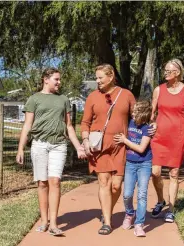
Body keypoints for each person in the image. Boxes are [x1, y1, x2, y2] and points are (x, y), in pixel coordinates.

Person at [16, 67, 86, 236]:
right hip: (39, 144)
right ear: (45, 79)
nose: (59, 82)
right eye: (56, 79)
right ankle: (44, 220)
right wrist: (20, 148)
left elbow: (69, 126)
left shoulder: (63, 100)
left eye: (59, 79)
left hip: (59, 145)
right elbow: (27, 125)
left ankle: (54, 224)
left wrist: (78, 146)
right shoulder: (34, 99)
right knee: (42, 182)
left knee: (55, 181)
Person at [81, 64, 137, 235]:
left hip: (120, 146)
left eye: (100, 77)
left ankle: (107, 211)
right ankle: (107, 221)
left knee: (115, 185)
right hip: (99, 147)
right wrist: (85, 139)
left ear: (111, 76)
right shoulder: (92, 97)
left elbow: (137, 118)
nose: (97, 81)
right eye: (96, 78)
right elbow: (85, 122)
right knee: (104, 182)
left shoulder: (126, 95)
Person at [150, 58, 184, 223]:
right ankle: (160, 200)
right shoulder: (158, 90)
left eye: (168, 71)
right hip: (159, 137)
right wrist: (151, 125)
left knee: (174, 173)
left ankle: (170, 208)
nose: (165, 73)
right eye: (165, 70)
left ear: (177, 73)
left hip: (178, 137)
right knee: (155, 172)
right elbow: (152, 112)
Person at [113, 100, 153, 237]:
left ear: (143, 114)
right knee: (127, 194)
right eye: (133, 111)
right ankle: (130, 214)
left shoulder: (147, 129)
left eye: (136, 112)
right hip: (130, 164)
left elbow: (142, 149)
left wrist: (125, 141)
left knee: (142, 194)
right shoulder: (129, 122)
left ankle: (139, 224)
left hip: (144, 164)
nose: (133, 113)